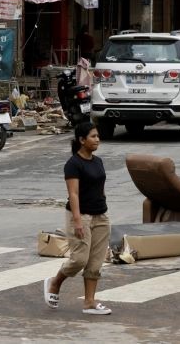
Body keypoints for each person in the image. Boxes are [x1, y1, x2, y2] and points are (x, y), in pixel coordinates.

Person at [44, 122, 112, 315]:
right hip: (81, 216)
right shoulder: (73, 164)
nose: (97, 139)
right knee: (80, 259)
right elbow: (73, 194)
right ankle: (55, 282)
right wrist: (78, 221)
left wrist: (103, 206)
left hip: (101, 216)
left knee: (95, 262)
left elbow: (101, 186)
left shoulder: (98, 161)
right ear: (82, 140)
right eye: (93, 136)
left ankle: (89, 303)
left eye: (98, 136)